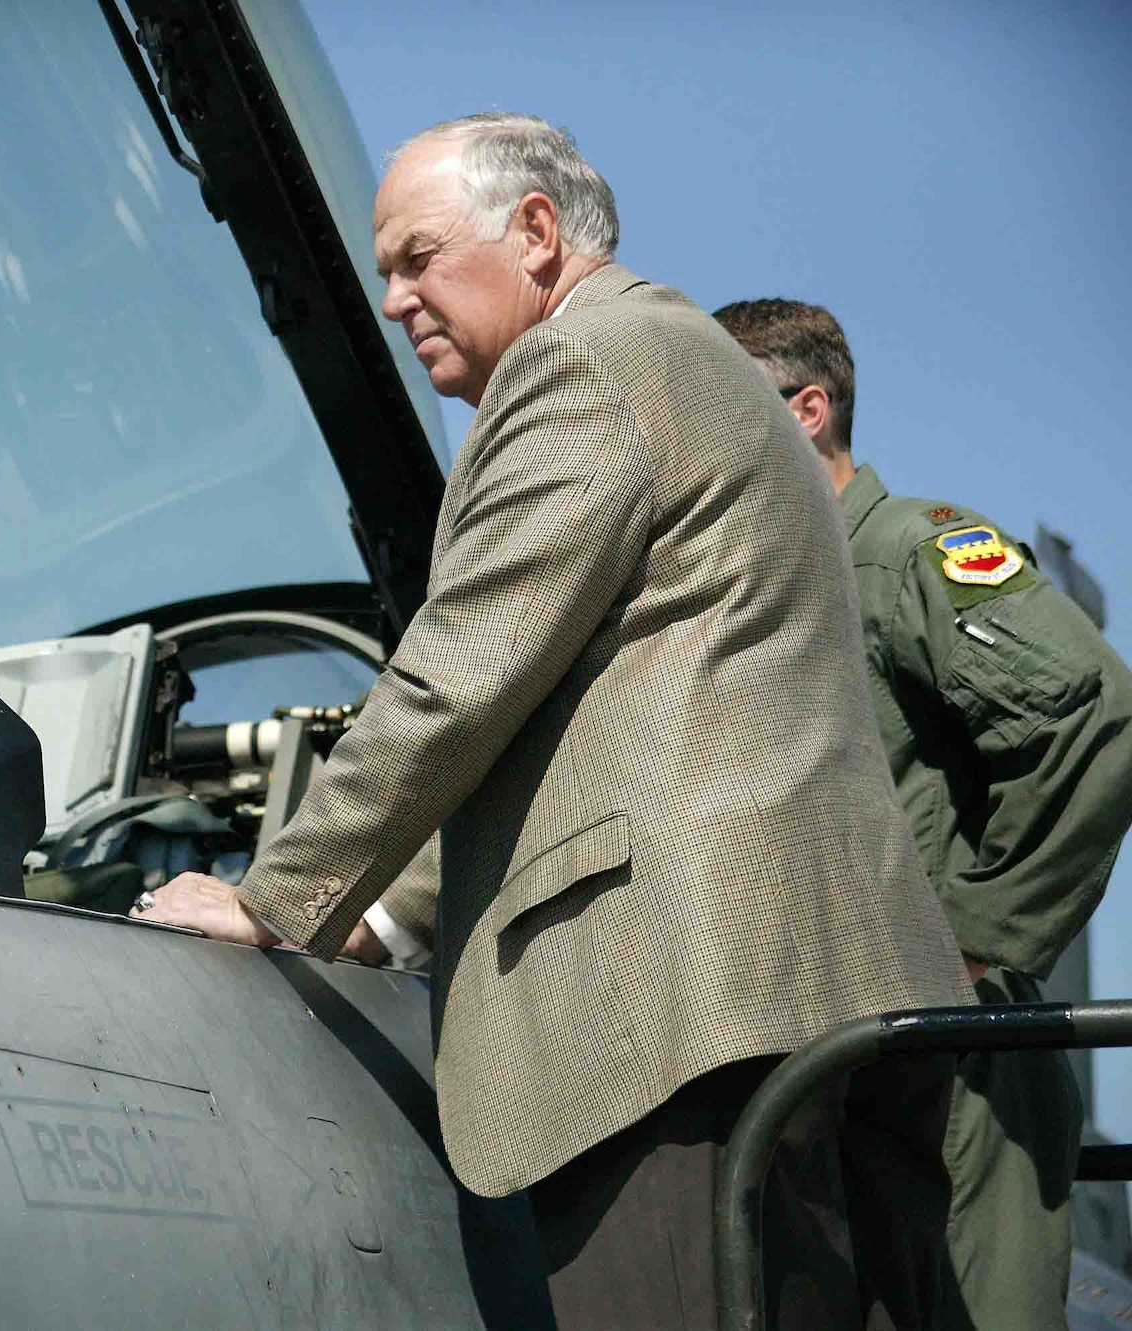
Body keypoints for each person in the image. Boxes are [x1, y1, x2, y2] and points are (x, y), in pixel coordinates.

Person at [135, 112, 971, 1329]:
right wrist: (384, 913)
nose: (390, 298)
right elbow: (561, 715)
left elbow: (458, 678)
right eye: (380, 271)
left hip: (678, 1011)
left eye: (416, 256)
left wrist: (278, 895)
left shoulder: (579, 365)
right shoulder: (685, 362)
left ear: (534, 233)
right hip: (824, 989)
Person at [713, 296, 1132, 1329]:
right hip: (823, 1068)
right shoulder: (765, 581)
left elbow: (1094, 718)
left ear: (805, 409)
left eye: (724, 410)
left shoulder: (908, 552)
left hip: (946, 1068)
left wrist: (974, 947)